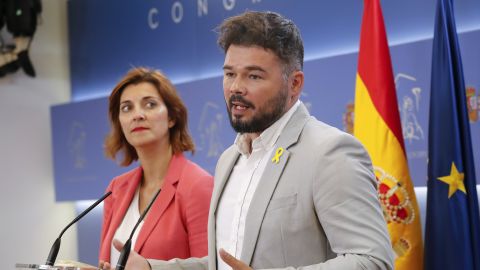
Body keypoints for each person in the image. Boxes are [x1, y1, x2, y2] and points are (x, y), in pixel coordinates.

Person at [118, 11, 394, 270]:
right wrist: (153, 267)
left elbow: (372, 260)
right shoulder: (229, 159)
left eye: (253, 75)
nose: (236, 87)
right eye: (229, 74)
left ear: (294, 84)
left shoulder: (330, 152)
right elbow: (223, 263)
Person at [98, 67, 213, 269]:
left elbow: (210, 267)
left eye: (150, 105)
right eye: (127, 108)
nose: (137, 115)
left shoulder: (197, 185)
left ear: (172, 117)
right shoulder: (116, 188)